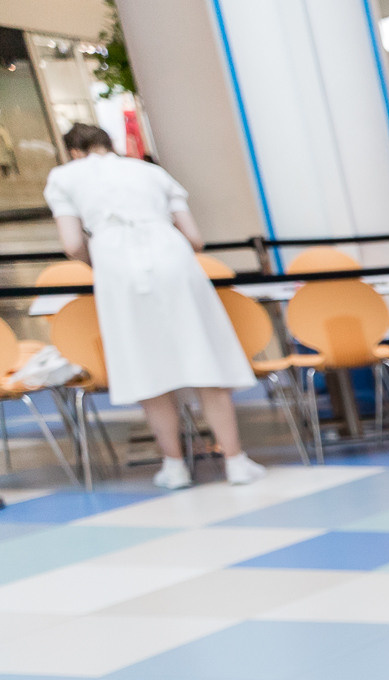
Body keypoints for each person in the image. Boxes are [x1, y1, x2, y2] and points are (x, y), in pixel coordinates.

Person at [43, 123, 267, 490]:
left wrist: (99, 259)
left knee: (144, 365)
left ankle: (174, 466)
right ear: (109, 144)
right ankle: (236, 461)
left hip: (116, 264)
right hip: (172, 256)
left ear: (74, 152)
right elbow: (194, 238)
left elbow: (71, 243)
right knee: (204, 358)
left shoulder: (64, 177)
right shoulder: (151, 171)